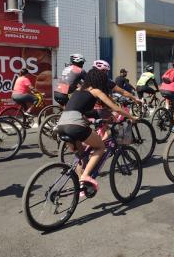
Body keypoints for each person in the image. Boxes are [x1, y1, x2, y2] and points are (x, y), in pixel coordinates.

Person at [56, 67, 136, 195]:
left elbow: (80, 110)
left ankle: (81, 188)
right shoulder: (96, 91)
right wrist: (132, 118)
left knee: (80, 156)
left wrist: (93, 119)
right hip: (75, 125)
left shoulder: (78, 90)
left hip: (61, 125)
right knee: (100, 147)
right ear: (100, 80)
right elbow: (116, 108)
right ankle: (86, 176)